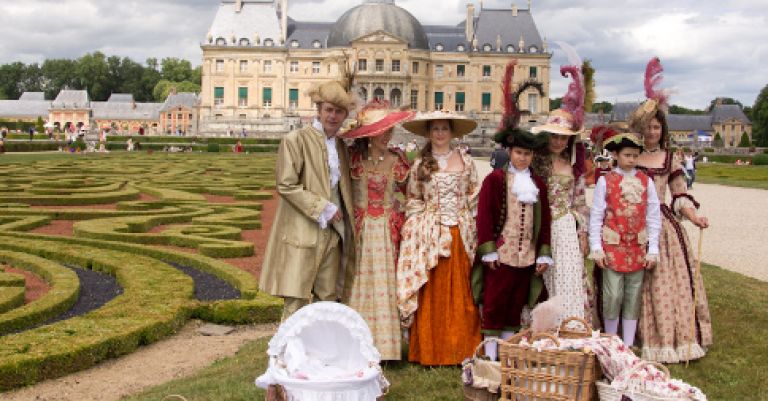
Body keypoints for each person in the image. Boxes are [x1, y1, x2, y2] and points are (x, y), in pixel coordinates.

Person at [630, 57, 712, 363]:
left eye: (655, 126)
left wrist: (694, 216)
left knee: (666, 281)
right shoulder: (629, 157)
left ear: (661, 129)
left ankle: (672, 338)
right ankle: (634, 335)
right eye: (647, 127)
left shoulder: (669, 158)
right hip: (633, 226)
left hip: (664, 228)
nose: (651, 132)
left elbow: (680, 194)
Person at [259, 80, 357, 320]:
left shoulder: (342, 147)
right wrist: (322, 206)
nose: (333, 116)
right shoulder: (296, 140)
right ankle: (288, 356)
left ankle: (321, 354)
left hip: (333, 233)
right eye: (329, 110)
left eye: (339, 111)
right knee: (297, 300)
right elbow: (286, 184)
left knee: (328, 299)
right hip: (302, 231)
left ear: (345, 115)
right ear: (319, 110)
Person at [397, 109, 482, 366]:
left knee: (462, 291)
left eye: (444, 128)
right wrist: (418, 223)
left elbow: (473, 194)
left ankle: (461, 348)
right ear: (428, 133)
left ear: (452, 132)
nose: (440, 134)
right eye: (435, 129)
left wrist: (465, 217)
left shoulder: (466, 162)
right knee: (432, 291)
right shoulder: (420, 164)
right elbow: (413, 198)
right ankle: (431, 350)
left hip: (459, 231)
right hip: (430, 232)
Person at [341, 100, 415, 360]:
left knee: (385, 283)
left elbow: (413, 194)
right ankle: (354, 344)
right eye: (380, 132)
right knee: (357, 282)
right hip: (360, 229)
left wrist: (401, 211)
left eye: (388, 131)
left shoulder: (397, 160)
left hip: (385, 229)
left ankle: (386, 347)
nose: (387, 136)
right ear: (369, 135)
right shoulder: (352, 159)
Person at [531, 63, 597, 328]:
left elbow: (579, 201)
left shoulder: (572, 167)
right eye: (555, 137)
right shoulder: (538, 163)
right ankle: (544, 327)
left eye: (563, 138)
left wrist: (583, 232)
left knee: (569, 276)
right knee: (543, 277)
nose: (558, 142)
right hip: (543, 225)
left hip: (566, 225)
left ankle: (570, 326)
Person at [589, 131, 661, 348]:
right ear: (616, 155)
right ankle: (612, 340)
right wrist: (596, 247)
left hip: (637, 247)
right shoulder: (605, 181)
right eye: (627, 155)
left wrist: (653, 248)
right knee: (612, 295)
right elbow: (596, 215)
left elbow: (653, 215)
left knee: (633, 295)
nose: (631, 159)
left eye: (635, 155)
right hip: (612, 247)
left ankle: (627, 344)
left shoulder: (646, 181)